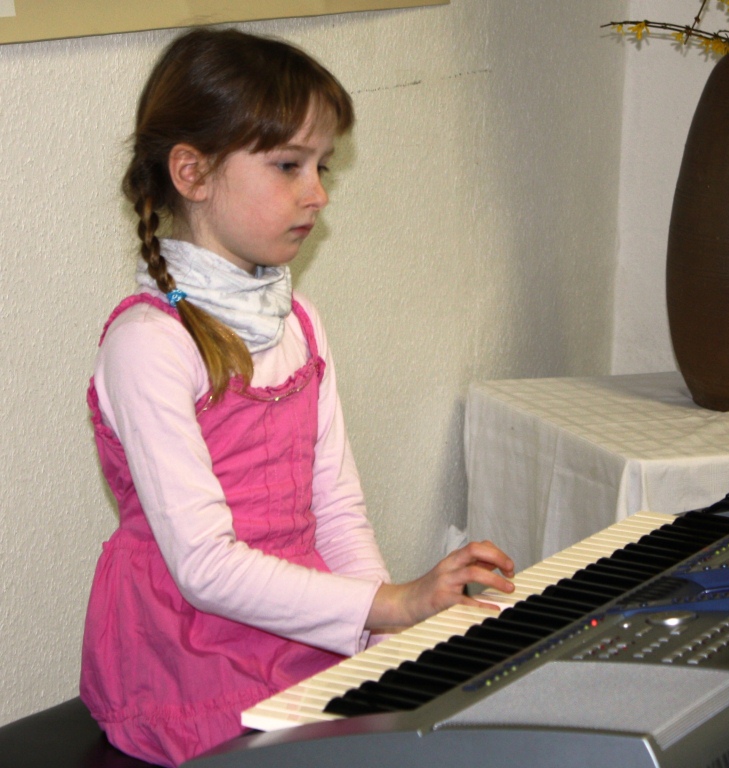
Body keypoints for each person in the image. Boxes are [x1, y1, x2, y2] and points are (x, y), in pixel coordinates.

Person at [80, 27, 514, 768]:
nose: (317, 193)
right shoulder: (148, 344)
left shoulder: (300, 322)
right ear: (192, 172)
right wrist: (392, 603)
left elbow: (337, 511)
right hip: (188, 659)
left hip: (306, 629)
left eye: (322, 165)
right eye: (288, 165)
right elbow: (206, 569)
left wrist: (383, 641)